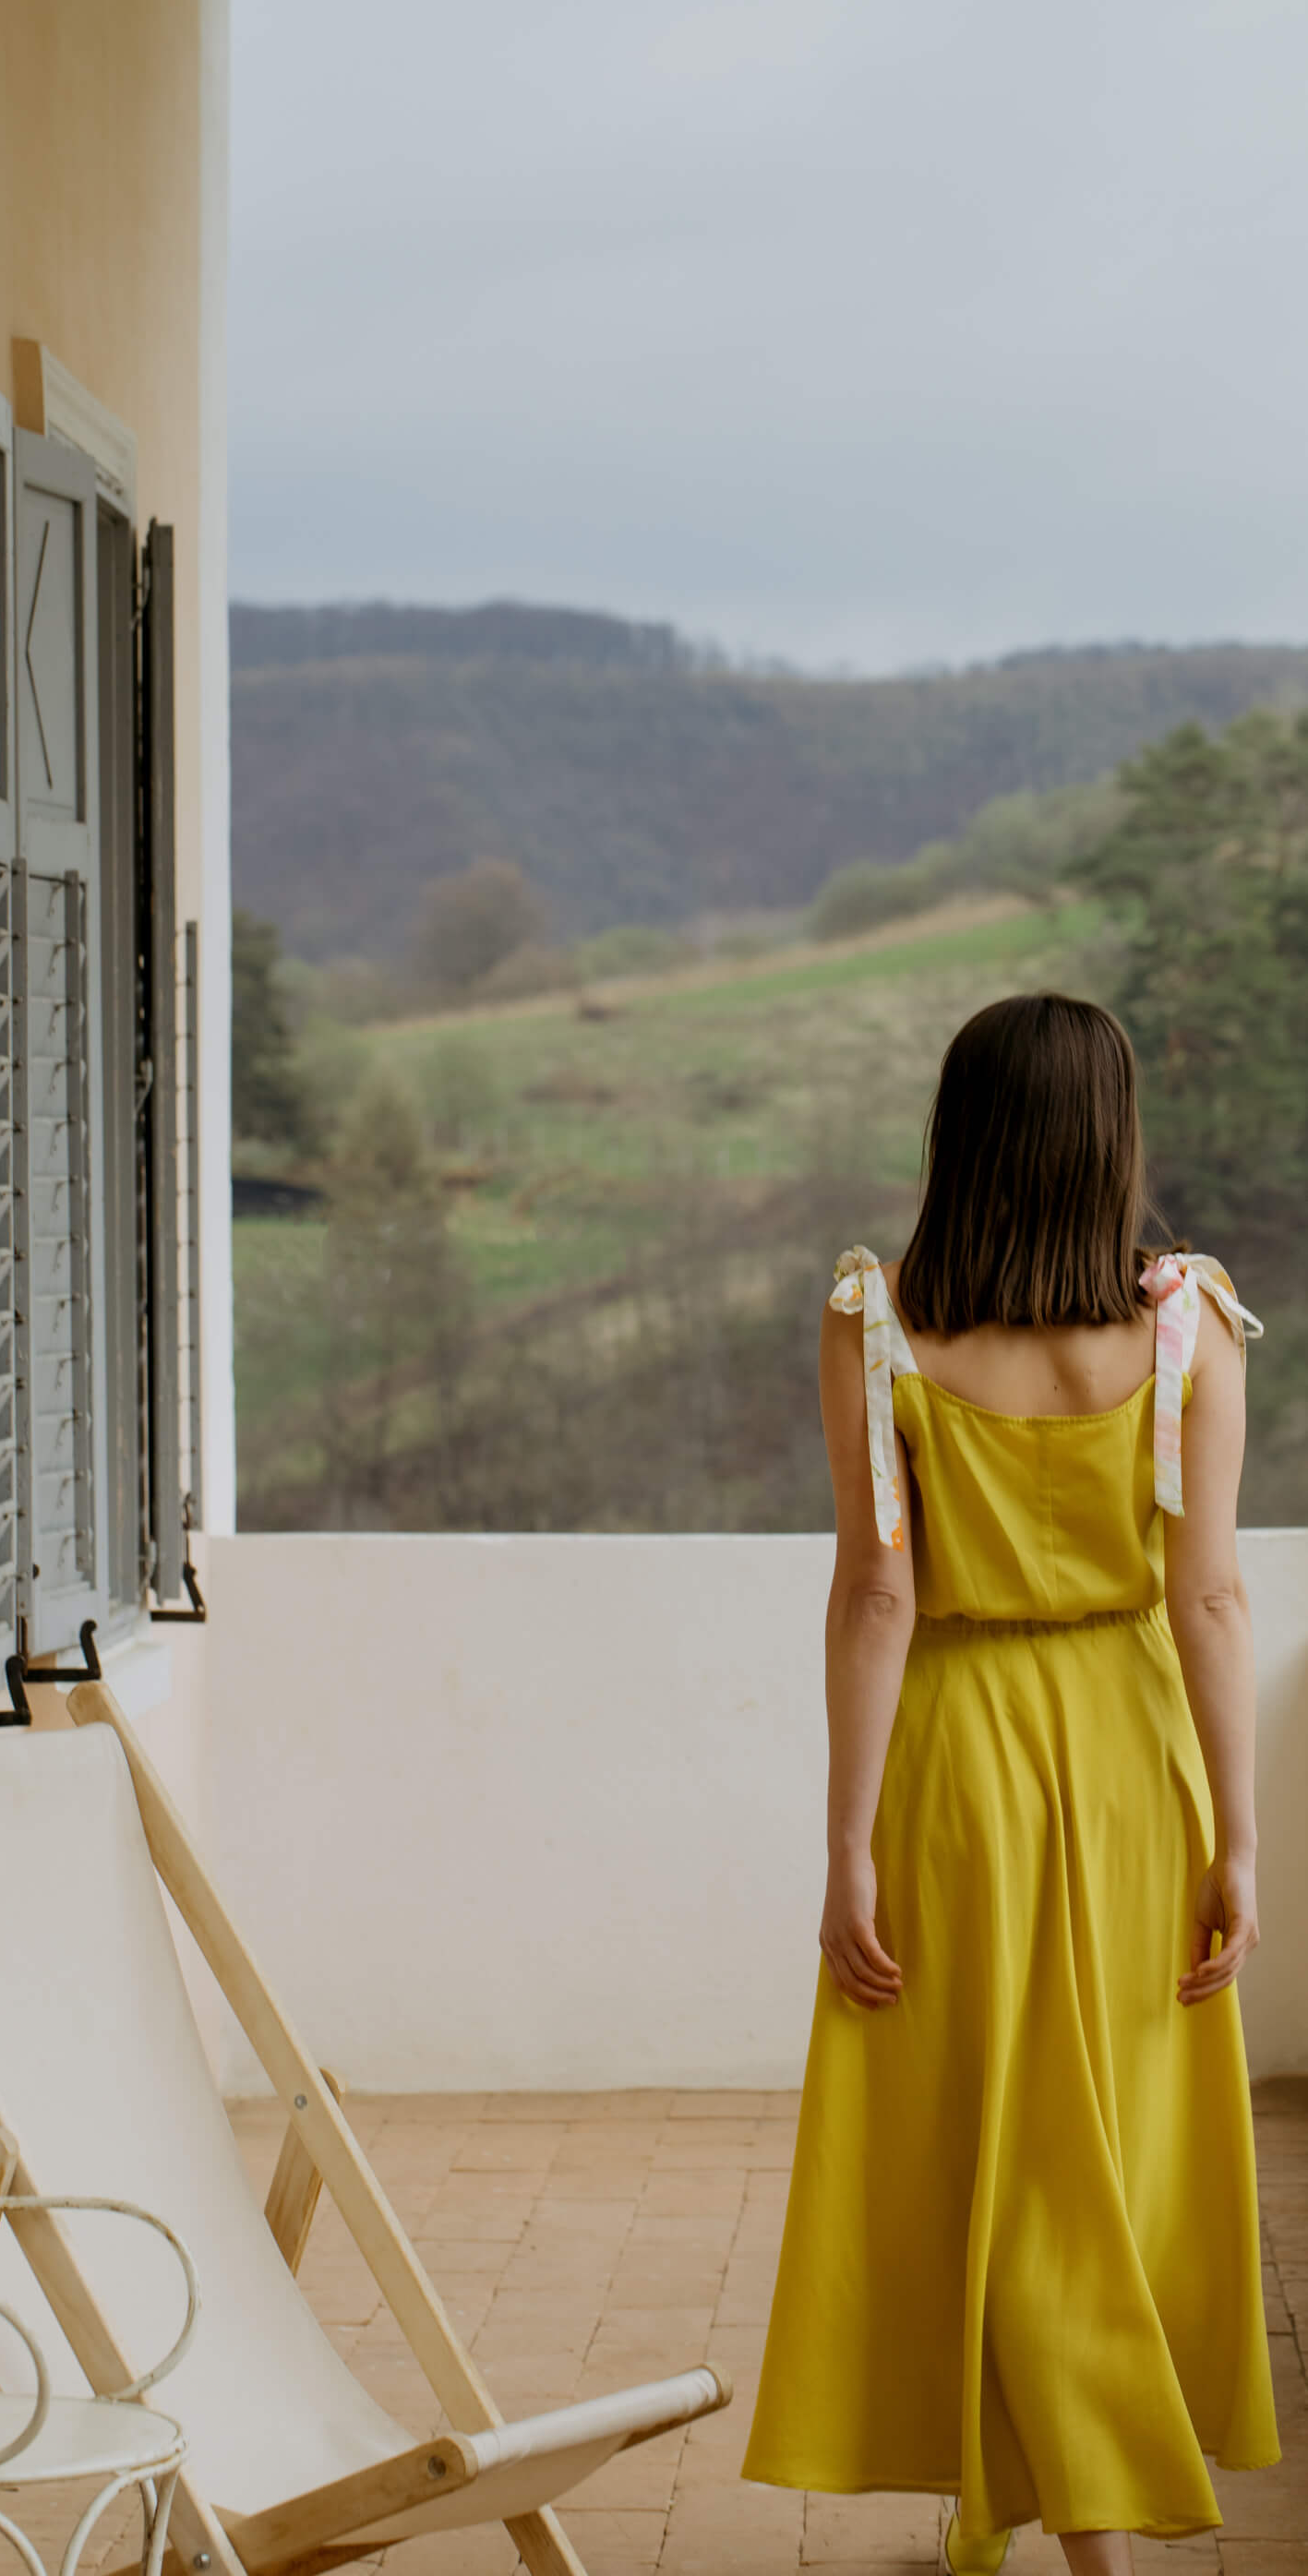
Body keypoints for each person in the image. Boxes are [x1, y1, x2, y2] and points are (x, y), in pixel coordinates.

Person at [741, 992, 1279, 2573]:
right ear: (1115, 1139)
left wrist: (845, 1843)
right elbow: (1211, 1599)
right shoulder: (1190, 1325)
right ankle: (1059, 2499)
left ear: (954, 1133)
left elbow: (877, 1595)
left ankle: (1056, 2510)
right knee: (1094, 2141)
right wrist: (1240, 1837)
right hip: (1132, 1754)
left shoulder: (877, 1319)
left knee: (996, 2135)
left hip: (956, 1760)